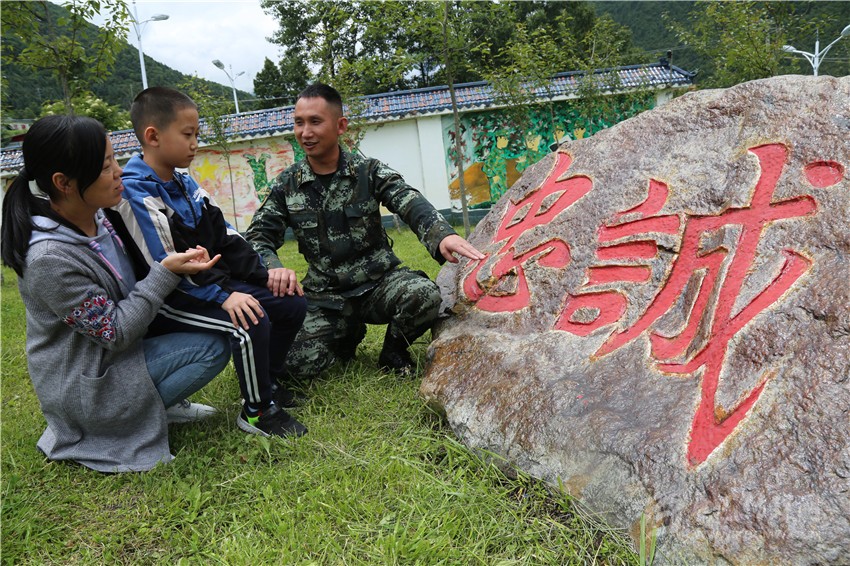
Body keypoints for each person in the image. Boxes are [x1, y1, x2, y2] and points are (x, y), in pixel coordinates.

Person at [0, 115, 230, 472]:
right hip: (89, 386)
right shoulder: (49, 259)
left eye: (115, 160)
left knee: (209, 324)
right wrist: (166, 272)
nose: (119, 172)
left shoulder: (99, 218)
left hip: (114, 359)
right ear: (64, 183)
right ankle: (127, 420)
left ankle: (151, 405)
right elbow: (116, 332)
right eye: (107, 166)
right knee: (211, 348)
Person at [245, 83, 485, 380]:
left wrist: (441, 234)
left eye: (315, 122)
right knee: (291, 364)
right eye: (299, 123)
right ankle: (345, 336)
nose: (305, 132)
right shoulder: (288, 184)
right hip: (326, 297)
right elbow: (257, 236)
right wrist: (272, 266)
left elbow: (408, 200)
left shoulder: (368, 171)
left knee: (423, 295)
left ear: (340, 126)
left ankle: (394, 352)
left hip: (378, 284)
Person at [116, 87, 308, 439]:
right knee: (249, 318)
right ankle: (257, 413)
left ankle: (266, 385)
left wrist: (264, 276)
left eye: (197, 134)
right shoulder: (136, 191)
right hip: (171, 298)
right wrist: (223, 297)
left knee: (290, 302)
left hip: (208, 285)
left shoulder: (184, 182)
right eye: (187, 134)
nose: (195, 144)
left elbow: (226, 237)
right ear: (153, 136)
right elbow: (168, 266)